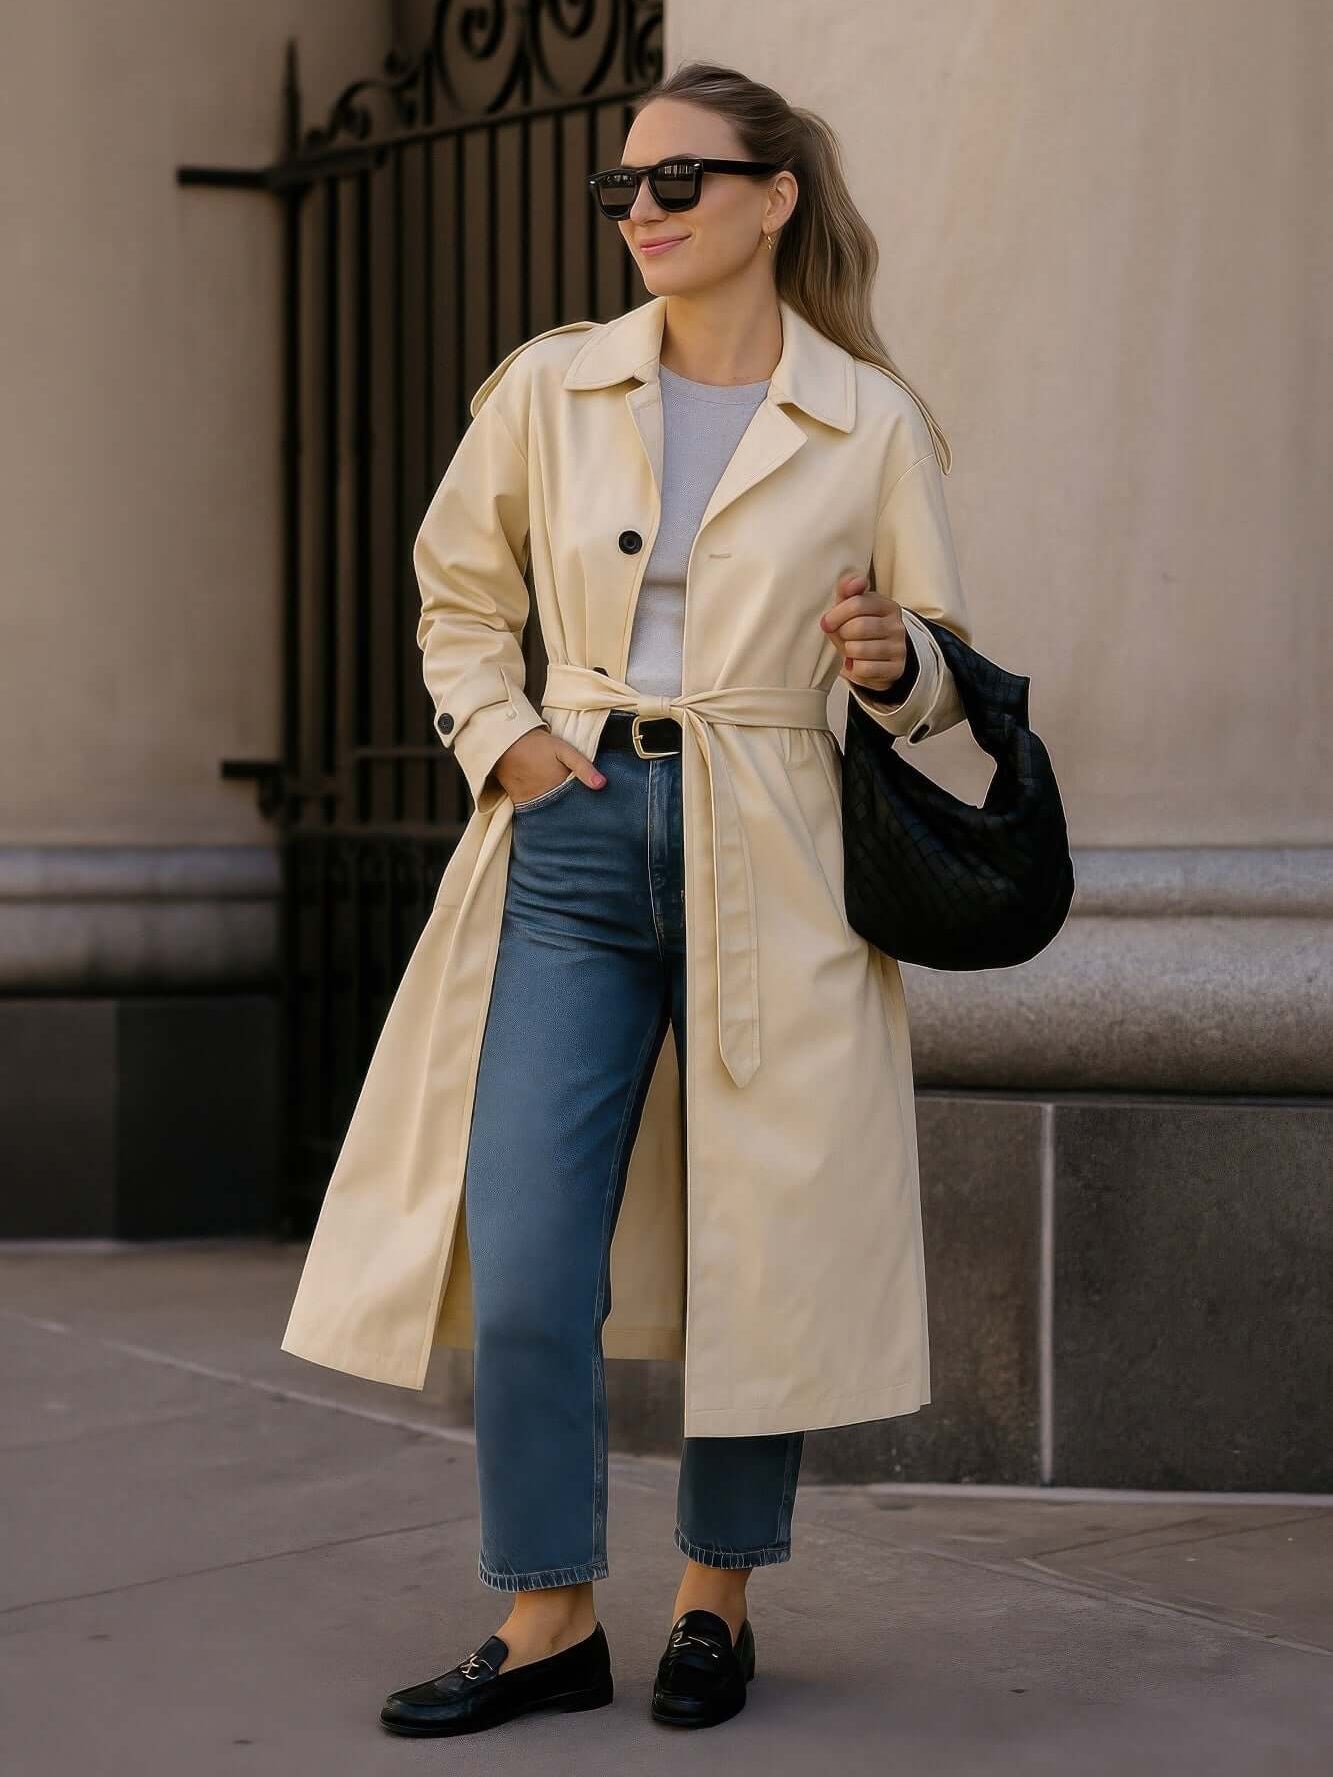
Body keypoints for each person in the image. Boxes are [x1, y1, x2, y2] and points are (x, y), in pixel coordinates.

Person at [309, 58, 971, 1738]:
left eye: (680, 181)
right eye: (624, 186)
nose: (645, 212)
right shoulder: (550, 386)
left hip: (780, 839)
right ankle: (544, 1618)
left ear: (773, 199)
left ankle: (714, 1597)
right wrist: (509, 738)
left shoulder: (867, 416)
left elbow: (933, 679)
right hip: (578, 831)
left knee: (764, 1238)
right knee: (528, 1248)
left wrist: (897, 668)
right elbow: (455, 591)